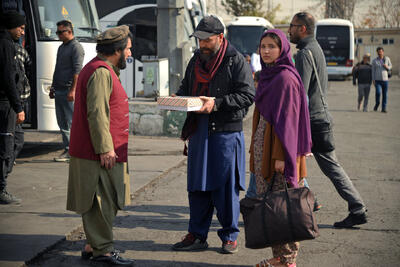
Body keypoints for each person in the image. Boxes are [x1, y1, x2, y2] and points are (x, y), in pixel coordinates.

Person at [171, 15, 255, 254]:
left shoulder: (236, 60)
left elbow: (248, 95)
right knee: (197, 187)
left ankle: (230, 236)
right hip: (199, 131)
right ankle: (197, 235)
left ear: (220, 38)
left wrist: (217, 103)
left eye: (206, 40)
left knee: (226, 188)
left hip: (226, 133)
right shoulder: (196, 59)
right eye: (199, 40)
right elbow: (186, 87)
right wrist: (177, 99)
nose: (202, 45)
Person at [288, 12, 367, 228]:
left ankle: (357, 207)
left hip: (312, 120)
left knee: (322, 166)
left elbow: (299, 93)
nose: (289, 30)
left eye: (292, 26)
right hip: (320, 117)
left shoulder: (305, 54)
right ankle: (311, 200)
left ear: (303, 28)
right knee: (296, 163)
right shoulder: (316, 49)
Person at [66, 25, 134, 266]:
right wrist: (105, 148)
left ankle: (92, 244)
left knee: (104, 200)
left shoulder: (101, 68)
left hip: (101, 150)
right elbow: (97, 113)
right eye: (127, 49)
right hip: (99, 152)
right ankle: (103, 250)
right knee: (102, 202)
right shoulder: (102, 72)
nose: (129, 53)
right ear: (115, 50)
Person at [250, 29, 312, 267]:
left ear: (282, 49)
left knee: (284, 206)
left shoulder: (284, 78)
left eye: (271, 47)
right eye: (263, 46)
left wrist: (281, 157)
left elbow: (288, 122)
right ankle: (280, 256)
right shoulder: (269, 75)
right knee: (273, 206)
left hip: (278, 153)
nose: (266, 51)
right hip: (264, 150)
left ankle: (287, 260)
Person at [49, 20, 84, 162]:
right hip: (59, 90)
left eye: (60, 32)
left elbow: (77, 71)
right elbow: (57, 68)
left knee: (71, 122)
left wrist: (73, 90)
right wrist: (52, 86)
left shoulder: (76, 47)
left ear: (69, 32)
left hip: (68, 91)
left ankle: (73, 151)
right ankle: (69, 149)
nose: (58, 35)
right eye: (57, 32)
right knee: (62, 123)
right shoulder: (61, 47)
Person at [0, 11, 26, 204]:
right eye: (21, 27)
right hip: (6, 105)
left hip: (7, 104)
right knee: (7, 145)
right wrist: (18, 107)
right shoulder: (6, 44)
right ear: (11, 26)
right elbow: (8, 78)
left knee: (15, 140)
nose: (23, 31)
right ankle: (1, 189)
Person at [372, 47, 392, 113]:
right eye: (378, 52)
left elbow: (391, 66)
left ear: (383, 52)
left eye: (381, 51)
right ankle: (377, 103)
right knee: (378, 92)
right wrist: (373, 79)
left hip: (385, 80)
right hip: (377, 80)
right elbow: (373, 71)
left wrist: (387, 67)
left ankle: (384, 108)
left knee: (385, 94)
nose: (380, 53)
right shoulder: (374, 60)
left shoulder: (387, 59)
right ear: (377, 52)